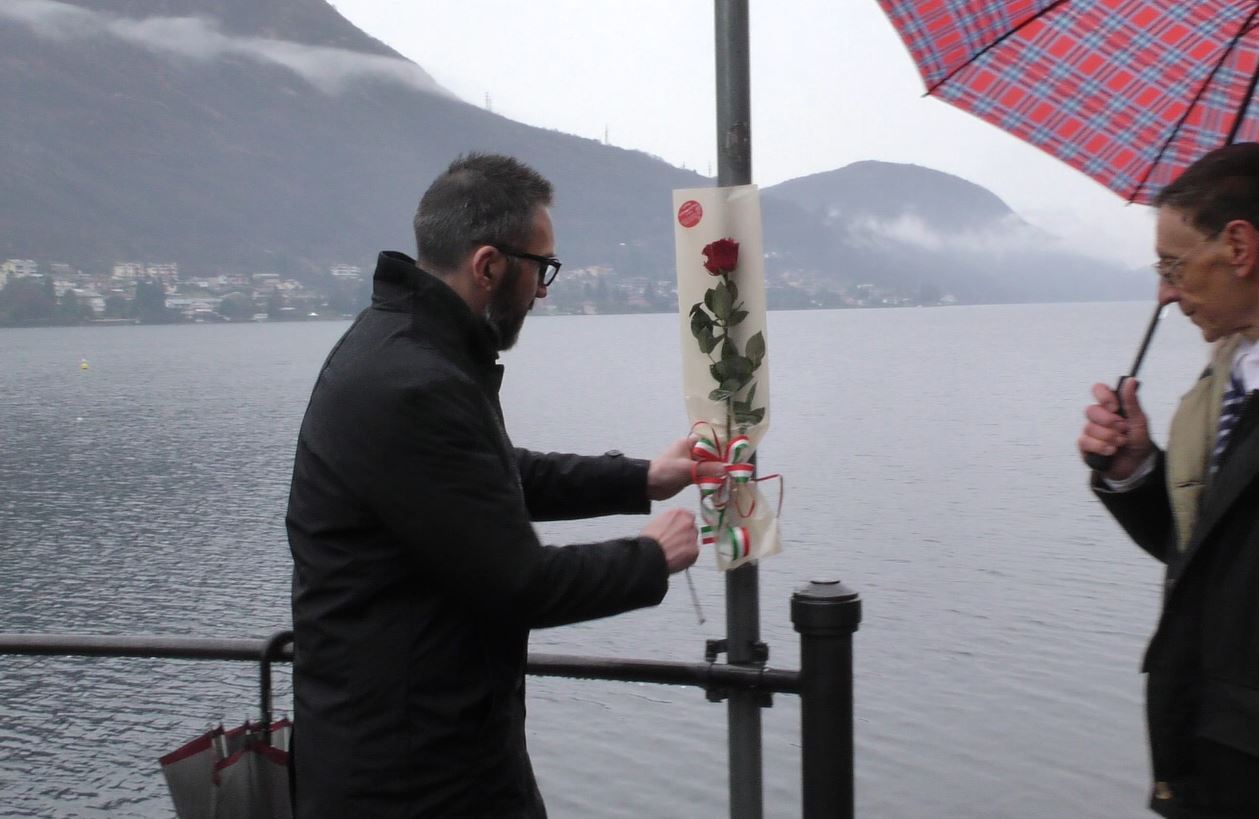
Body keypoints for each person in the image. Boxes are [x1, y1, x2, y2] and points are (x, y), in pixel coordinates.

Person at [286, 153, 710, 817]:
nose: (543, 289)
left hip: (411, 746)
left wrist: (643, 478)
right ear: (488, 265)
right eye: (541, 267)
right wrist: (650, 556)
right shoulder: (413, 384)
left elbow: (488, 473)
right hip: (413, 778)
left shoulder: (402, 347)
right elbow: (518, 583)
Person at [1078, 142, 1259, 818]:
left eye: (1172, 266)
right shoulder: (1223, 385)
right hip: (1210, 759)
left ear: (1238, 247)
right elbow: (1215, 558)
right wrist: (1136, 470)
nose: (1164, 291)